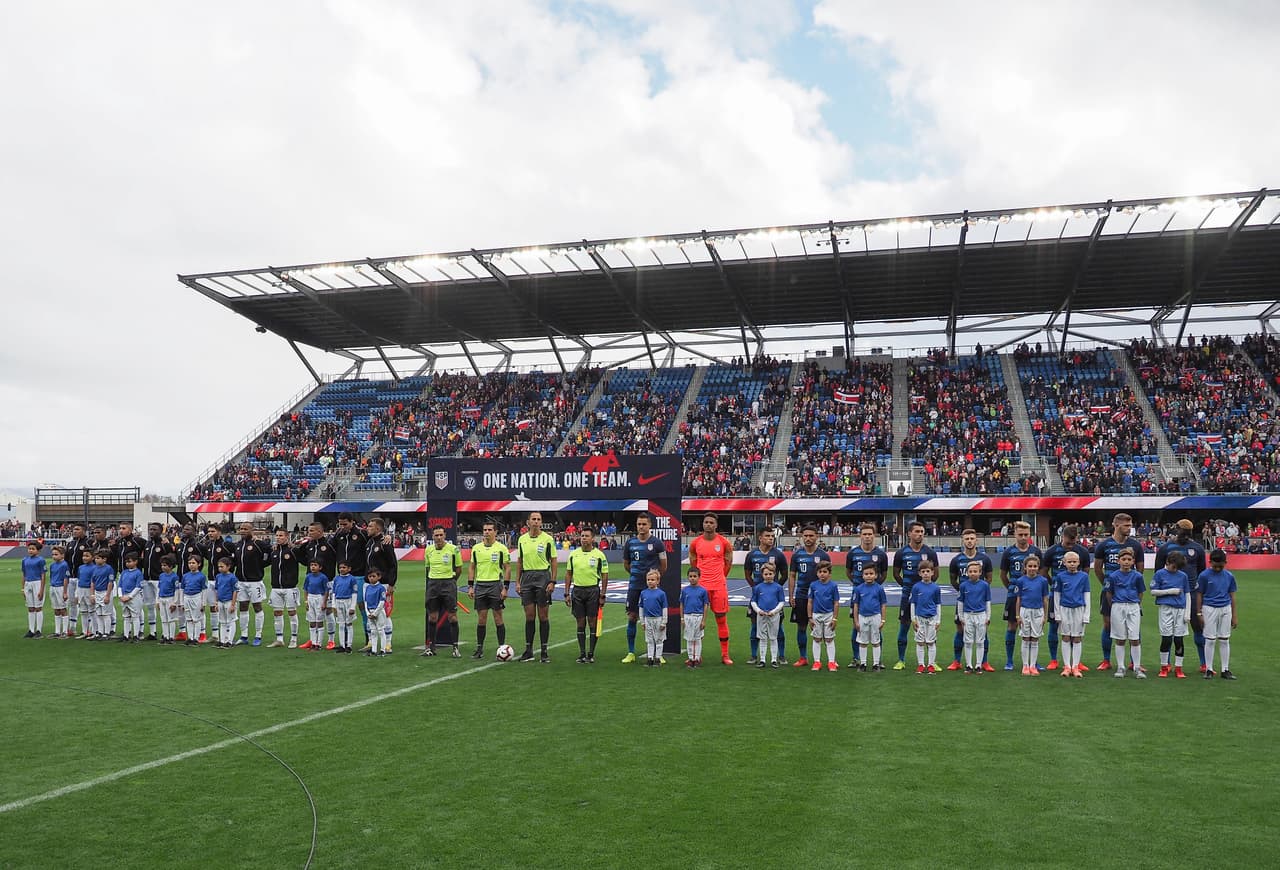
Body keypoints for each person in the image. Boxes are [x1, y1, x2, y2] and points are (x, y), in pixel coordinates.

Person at [1155, 519, 1208, 672]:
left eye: (1187, 532)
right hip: (1171, 596)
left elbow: (1202, 573)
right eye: (1182, 531)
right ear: (1176, 530)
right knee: (1168, 632)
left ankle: (1204, 663)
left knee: (1198, 627)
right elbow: (1159, 572)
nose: (1184, 534)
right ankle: (1166, 664)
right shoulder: (1165, 548)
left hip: (1192, 594)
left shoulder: (1197, 548)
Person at [1093, 512, 1143, 671]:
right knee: (1108, 625)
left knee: (1134, 627)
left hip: (1130, 594)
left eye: (1130, 525)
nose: (1129, 528)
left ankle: (1134, 662)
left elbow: (1140, 570)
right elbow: (1097, 568)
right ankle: (1106, 660)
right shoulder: (1104, 545)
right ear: (1116, 525)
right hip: (1110, 593)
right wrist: (1108, 585)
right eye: (1126, 525)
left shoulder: (1135, 545)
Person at [1042, 524, 1091, 671]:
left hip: (1076, 598)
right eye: (1068, 543)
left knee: (1076, 630)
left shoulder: (1082, 552)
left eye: (1073, 542)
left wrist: (1076, 586)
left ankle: (1076, 662)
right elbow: (1044, 571)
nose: (1071, 546)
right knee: (1054, 626)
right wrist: (1054, 584)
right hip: (1057, 595)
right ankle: (1054, 660)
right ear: (1062, 537)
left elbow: (1086, 572)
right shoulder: (1052, 551)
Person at [687, 513, 734, 665]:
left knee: (721, 618)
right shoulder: (696, 543)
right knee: (696, 620)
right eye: (706, 522)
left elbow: (728, 562)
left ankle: (725, 655)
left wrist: (720, 577)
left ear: (716, 525)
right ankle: (696, 655)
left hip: (719, 586)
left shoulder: (724, 542)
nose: (708, 524)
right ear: (703, 524)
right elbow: (693, 562)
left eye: (711, 522)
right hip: (701, 587)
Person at [622, 512, 668, 663]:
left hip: (651, 588)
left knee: (656, 619)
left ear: (649, 525)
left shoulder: (657, 543)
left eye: (644, 524)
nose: (641, 527)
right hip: (635, 585)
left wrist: (654, 579)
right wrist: (636, 574)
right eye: (639, 524)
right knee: (632, 616)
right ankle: (631, 652)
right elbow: (626, 564)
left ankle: (658, 654)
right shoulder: (630, 543)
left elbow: (664, 565)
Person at [893, 521, 938, 670]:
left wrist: (925, 589)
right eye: (917, 531)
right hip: (907, 596)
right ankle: (901, 660)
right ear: (909, 534)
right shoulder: (901, 553)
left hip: (926, 598)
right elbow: (896, 574)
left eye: (922, 532)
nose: (920, 534)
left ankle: (931, 662)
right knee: (904, 626)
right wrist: (908, 588)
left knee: (930, 629)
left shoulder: (930, 553)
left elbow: (936, 574)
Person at [999, 521, 1043, 672]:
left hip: (1033, 597)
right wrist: (1013, 589)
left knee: (1034, 630)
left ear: (1030, 535)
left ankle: (1033, 662)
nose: (1023, 537)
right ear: (1015, 535)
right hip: (1014, 595)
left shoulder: (1036, 551)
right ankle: (1009, 661)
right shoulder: (1008, 552)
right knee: (1012, 626)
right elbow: (1003, 575)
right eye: (1020, 534)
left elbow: (1041, 573)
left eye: (1026, 534)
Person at [948, 529, 994, 671]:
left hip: (979, 603)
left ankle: (984, 662)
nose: (969, 541)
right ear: (963, 541)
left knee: (983, 632)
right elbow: (953, 580)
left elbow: (989, 579)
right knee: (960, 629)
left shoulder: (985, 559)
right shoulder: (956, 560)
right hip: (963, 602)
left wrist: (978, 592)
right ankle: (957, 661)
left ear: (976, 541)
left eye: (972, 538)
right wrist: (964, 592)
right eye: (967, 538)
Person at [514, 512, 557, 663]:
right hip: (527, 578)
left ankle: (544, 651)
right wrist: (517, 581)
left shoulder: (547, 539)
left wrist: (552, 581)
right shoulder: (522, 539)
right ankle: (529, 650)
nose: (536, 522)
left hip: (543, 577)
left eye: (539, 519)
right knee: (529, 616)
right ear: (528, 522)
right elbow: (520, 561)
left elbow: (553, 560)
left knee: (543, 616)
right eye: (534, 519)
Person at [845, 523, 889, 668]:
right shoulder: (853, 553)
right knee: (856, 626)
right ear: (860, 536)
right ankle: (856, 658)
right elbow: (848, 572)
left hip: (874, 595)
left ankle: (878, 660)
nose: (867, 537)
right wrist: (859, 585)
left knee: (877, 628)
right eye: (864, 534)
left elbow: (884, 574)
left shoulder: (881, 554)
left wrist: (874, 587)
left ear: (874, 536)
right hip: (858, 594)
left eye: (870, 534)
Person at [743, 528, 789, 665]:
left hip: (774, 599)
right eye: (767, 536)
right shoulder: (752, 554)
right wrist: (756, 588)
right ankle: (754, 655)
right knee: (754, 626)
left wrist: (775, 589)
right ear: (760, 538)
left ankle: (781, 656)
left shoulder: (778, 555)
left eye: (772, 536)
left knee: (778, 626)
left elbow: (785, 575)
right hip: (758, 597)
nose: (771, 538)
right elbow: (747, 575)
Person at [468, 521, 511, 659]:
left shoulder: (501, 548)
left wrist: (505, 587)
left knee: (498, 617)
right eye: (485, 530)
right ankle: (479, 649)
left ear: (495, 532)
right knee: (481, 619)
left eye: (489, 530)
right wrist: (470, 586)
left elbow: (507, 568)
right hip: (480, 585)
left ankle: (502, 648)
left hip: (495, 585)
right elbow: (472, 567)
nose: (487, 532)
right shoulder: (476, 548)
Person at [565, 527, 608, 664]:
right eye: (582, 536)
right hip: (577, 591)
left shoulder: (599, 555)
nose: (584, 538)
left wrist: (603, 594)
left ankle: (591, 653)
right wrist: (566, 592)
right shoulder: (573, 554)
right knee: (580, 622)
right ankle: (582, 653)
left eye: (587, 536)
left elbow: (604, 575)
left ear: (592, 538)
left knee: (592, 621)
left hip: (593, 591)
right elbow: (568, 574)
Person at [788, 525, 829, 668]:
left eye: (811, 536)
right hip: (801, 595)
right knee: (801, 627)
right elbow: (792, 576)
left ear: (817, 537)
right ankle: (803, 657)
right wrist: (791, 595)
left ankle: (827, 659)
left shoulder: (823, 555)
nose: (808, 538)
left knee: (823, 629)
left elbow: (828, 577)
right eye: (805, 536)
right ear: (801, 537)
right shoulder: (797, 555)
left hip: (819, 597)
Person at [1195, 549, 1238, 680]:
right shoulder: (1204, 576)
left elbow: (1232, 596)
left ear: (1225, 563)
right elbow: (1199, 594)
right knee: (1210, 639)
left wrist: (1234, 615)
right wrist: (1199, 613)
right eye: (1215, 566)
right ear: (1210, 562)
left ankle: (1225, 669)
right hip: (1209, 608)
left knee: (1224, 639)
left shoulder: (1229, 576)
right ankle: (1209, 669)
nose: (1218, 569)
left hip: (1225, 608)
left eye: (1220, 566)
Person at [423, 526, 463, 658]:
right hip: (433, 584)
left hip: (448, 584)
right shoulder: (428, 550)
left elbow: (458, 569)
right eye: (436, 535)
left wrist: (451, 581)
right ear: (432, 536)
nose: (439, 538)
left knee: (452, 616)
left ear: (445, 535)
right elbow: (428, 568)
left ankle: (455, 647)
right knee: (432, 617)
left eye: (441, 535)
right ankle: (431, 647)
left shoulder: (453, 549)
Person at [1106, 548, 1146, 678]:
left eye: (1129, 559)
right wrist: (1115, 606)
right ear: (1118, 561)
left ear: (1133, 561)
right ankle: (1121, 667)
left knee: (1135, 638)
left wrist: (1136, 604)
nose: (1126, 562)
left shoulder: (1137, 576)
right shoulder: (1113, 576)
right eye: (1124, 559)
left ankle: (1137, 667)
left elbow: (1140, 592)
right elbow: (1109, 593)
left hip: (1133, 606)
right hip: (1118, 606)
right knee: (1120, 638)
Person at [1151, 550, 1191, 679]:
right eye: (1173, 567)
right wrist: (1170, 591)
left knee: (1179, 639)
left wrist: (1188, 613)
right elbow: (1153, 591)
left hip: (1180, 609)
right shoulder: (1159, 574)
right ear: (1168, 562)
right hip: (1166, 608)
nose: (1175, 570)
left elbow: (1187, 594)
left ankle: (1179, 668)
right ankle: (1164, 667)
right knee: (1166, 638)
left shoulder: (1183, 576)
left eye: (1177, 568)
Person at [1051, 550, 1091, 678]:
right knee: (1066, 637)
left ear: (1079, 562)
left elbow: (1087, 595)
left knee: (1077, 638)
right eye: (1069, 562)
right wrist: (1057, 614)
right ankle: (1067, 666)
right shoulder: (1060, 577)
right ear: (1064, 563)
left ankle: (1076, 666)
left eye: (1074, 561)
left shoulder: (1084, 577)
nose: (1072, 564)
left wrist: (1086, 615)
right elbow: (1057, 596)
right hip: (1064, 609)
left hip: (1079, 609)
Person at [231, 523, 271, 647]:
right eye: (241, 529)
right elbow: (234, 562)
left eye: (245, 529)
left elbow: (270, 552)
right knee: (243, 607)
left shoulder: (258, 544)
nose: (242, 531)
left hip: (255, 582)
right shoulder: (238, 545)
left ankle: (258, 635)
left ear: (251, 530)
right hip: (241, 582)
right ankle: (244, 636)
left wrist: (260, 565)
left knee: (257, 607)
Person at [332, 512, 369, 639]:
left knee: (362, 606)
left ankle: (369, 638)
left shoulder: (361, 534)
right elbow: (329, 547)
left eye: (345, 524)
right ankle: (345, 641)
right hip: (342, 577)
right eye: (340, 524)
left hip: (358, 575)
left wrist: (387, 537)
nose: (342, 527)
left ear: (352, 522)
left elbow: (374, 540)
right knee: (343, 607)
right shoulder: (338, 535)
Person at [364, 517, 398, 651]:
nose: (367, 529)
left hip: (383, 584)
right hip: (369, 584)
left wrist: (391, 583)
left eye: (370, 526)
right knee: (370, 611)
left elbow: (393, 564)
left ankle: (388, 643)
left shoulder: (385, 543)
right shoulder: (369, 542)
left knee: (384, 613)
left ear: (378, 528)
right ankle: (371, 642)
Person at [200, 524, 236, 645]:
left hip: (223, 581)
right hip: (211, 580)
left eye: (213, 531)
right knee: (213, 607)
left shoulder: (227, 545)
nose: (210, 533)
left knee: (227, 608)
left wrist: (229, 574)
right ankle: (215, 635)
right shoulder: (209, 545)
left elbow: (235, 559)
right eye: (209, 531)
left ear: (219, 532)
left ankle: (228, 637)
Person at [1013, 555, 1049, 675]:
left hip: (1038, 612)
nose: (1032, 568)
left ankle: (1033, 665)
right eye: (1030, 566)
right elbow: (1018, 599)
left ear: (1038, 567)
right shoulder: (1020, 581)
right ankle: (1025, 665)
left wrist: (1045, 616)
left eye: (1035, 566)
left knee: (1034, 639)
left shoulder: (1043, 581)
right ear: (1025, 567)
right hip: (1025, 611)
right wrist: (1017, 616)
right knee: (1025, 638)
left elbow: (1045, 599)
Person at [268, 529, 303, 649]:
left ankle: (294, 639)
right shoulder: (274, 551)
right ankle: (279, 639)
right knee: (277, 613)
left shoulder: (293, 551)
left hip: (290, 587)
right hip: (276, 587)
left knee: (292, 613)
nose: (278, 537)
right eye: (277, 535)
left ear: (287, 537)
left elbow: (305, 560)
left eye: (281, 535)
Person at [141, 522, 175, 641]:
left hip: (159, 579)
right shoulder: (147, 544)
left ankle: (167, 633)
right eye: (150, 529)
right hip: (147, 579)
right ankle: (152, 632)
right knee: (150, 605)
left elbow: (172, 559)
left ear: (161, 531)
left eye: (155, 529)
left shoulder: (164, 545)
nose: (152, 531)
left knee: (162, 606)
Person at [852, 563, 888, 672]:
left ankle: (876, 664)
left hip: (875, 616)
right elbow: (856, 605)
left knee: (876, 641)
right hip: (862, 617)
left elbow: (883, 605)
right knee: (863, 642)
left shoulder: (879, 589)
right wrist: (856, 621)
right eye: (866, 574)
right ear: (862, 575)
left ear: (876, 575)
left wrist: (883, 620)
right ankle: (863, 663)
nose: (868, 576)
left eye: (871, 573)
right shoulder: (858, 589)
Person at [957, 560, 991, 674]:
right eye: (970, 571)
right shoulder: (963, 586)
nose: (973, 573)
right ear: (967, 572)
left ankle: (978, 665)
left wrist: (988, 617)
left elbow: (987, 602)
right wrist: (961, 617)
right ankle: (968, 665)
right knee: (968, 641)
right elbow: (960, 602)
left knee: (980, 641)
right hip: (968, 615)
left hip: (981, 615)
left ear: (980, 572)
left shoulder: (985, 585)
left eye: (975, 571)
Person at [750, 563, 786, 669]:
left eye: (770, 574)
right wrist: (758, 611)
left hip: (774, 616)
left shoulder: (778, 587)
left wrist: (774, 611)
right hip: (761, 615)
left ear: (774, 574)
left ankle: (774, 660)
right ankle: (762, 660)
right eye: (766, 574)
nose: (768, 576)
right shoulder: (758, 588)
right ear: (762, 575)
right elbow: (753, 601)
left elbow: (781, 602)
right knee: (762, 638)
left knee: (773, 637)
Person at [910, 560, 942, 674]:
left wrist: (938, 620)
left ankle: (931, 665)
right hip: (920, 618)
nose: (926, 574)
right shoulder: (916, 587)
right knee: (920, 642)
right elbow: (913, 603)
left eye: (928, 571)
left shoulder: (936, 588)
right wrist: (913, 619)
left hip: (932, 618)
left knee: (931, 642)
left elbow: (938, 604)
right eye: (923, 571)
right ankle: (921, 665)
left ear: (932, 572)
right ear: (919, 573)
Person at [807, 561, 841, 672]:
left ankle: (831, 662)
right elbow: (810, 602)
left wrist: (834, 618)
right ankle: (817, 661)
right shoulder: (813, 585)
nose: (822, 574)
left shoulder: (833, 586)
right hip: (816, 615)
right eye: (820, 571)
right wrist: (810, 618)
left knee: (829, 639)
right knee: (817, 639)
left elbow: (836, 603)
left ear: (829, 573)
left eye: (825, 572)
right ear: (817, 573)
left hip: (829, 615)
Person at [638, 569, 668, 667]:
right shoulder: (643, 593)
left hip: (658, 619)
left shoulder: (661, 594)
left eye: (652, 580)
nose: (650, 581)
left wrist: (664, 622)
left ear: (658, 581)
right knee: (649, 640)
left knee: (659, 639)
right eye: (648, 580)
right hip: (648, 619)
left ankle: (658, 658)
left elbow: (664, 608)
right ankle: (650, 658)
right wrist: (642, 621)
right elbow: (641, 607)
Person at [680, 567, 709, 668]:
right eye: (690, 576)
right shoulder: (685, 591)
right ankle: (690, 658)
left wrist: (703, 620)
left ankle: (697, 658)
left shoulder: (703, 591)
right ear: (688, 577)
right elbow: (682, 604)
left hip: (698, 616)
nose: (692, 578)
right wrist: (682, 618)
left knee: (697, 638)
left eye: (695, 576)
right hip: (687, 616)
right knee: (689, 638)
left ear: (699, 577)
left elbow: (705, 605)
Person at [331, 561, 359, 654]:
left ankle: (349, 645)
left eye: (344, 567)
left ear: (349, 569)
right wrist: (333, 605)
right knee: (341, 624)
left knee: (349, 624)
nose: (342, 569)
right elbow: (334, 592)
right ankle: (342, 645)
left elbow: (354, 593)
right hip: (338, 602)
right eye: (340, 568)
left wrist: (352, 607)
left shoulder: (352, 579)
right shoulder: (336, 578)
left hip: (348, 602)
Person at [301, 559, 329, 651]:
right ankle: (313, 642)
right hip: (310, 598)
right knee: (312, 621)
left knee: (319, 621)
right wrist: (306, 601)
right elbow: (305, 589)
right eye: (311, 565)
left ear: (320, 567)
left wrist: (324, 602)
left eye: (315, 565)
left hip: (319, 598)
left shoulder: (323, 577)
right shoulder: (308, 576)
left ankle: (318, 644)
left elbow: (326, 590)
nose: (313, 567)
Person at [117, 553, 145, 643]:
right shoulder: (124, 572)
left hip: (134, 597)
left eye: (129, 561)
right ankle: (126, 635)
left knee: (135, 616)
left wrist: (130, 596)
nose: (127, 563)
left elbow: (138, 586)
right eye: (126, 562)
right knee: (126, 617)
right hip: (124, 596)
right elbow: (120, 585)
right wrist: (120, 596)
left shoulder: (138, 573)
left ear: (136, 561)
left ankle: (136, 636)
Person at [20, 541, 46, 638]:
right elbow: (24, 574)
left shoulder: (41, 560)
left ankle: (38, 630)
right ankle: (31, 630)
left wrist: (41, 590)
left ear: (38, 551)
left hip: (37, 583)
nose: (30, 550)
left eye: (33, 549)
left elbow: (43, 575)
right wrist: (23, 588)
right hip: (28, 583)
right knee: (30, 608)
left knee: (38, 607)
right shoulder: (24, 560)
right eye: (29, 548)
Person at [212, 557, 240, 649]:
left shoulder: (232, 578)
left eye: (222, 566)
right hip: (220, 601)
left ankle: (229, 641)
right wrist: (216, 602)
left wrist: (233, 604)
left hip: (229, 601)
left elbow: (235, 591)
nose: (220, 568)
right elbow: (217, 590)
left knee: (231, 621)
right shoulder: (218, 577)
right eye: (219, 567)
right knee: (222, 621)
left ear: (228, 566)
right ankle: (222, 640)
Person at [88, 550, 115, 641]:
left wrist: (107, 595)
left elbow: (110, 582)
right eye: (95, 558)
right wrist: (92, 594)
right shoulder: (94, 569)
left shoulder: (109, 569)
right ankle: (100, 632)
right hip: (97, 592)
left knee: (106, 614)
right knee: (99, 613)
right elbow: (92, 582)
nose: (96, 560)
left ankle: (106, 633)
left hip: (105, 592)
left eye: (98, 558)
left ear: (104, 559)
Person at [180, 556, 207, 647]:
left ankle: (196, 638)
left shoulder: (201, 576)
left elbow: (204, 590)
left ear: (199, 564)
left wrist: (203, 603)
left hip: (197, 597)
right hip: (187, 597)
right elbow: (182, 589)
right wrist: (182, 603)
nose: (191, 565)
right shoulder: (185, 576)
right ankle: (190, 638)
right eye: (189, 563)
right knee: (188, 619)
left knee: (196, 619)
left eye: (193, 563)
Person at [364, 569, 390, 657]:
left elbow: (382, 602)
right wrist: (368, 613)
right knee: (373, 631)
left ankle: (383, 650)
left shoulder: (381, 588)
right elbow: (366, 601)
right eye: (370, 576)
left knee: (381, 630)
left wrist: (375, 613)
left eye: (373, 576)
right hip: (370, 611)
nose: (371, 578)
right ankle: (374, 650)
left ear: (379, 577)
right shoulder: (368, 587)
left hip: (379, 612)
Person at [48, 545, 71, 638]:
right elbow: (51, 576)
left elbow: (66, 578)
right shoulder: (52, 565)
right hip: (53, 587)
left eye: (56, 554)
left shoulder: (64, 565)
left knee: (63, 609)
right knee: (56, 609)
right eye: (53, 554)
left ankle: (65, 631)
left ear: (62, 555)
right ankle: (57, 631)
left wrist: (65, 592)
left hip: (61, 587)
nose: (54, 556)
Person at [156, 555, 180, 644]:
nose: (163, 567)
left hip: (170, 599)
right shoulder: (161, 576)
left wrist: (174, 602)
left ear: (171, 566)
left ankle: (171, 637)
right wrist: (157, 600)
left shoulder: (174, 577)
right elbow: (159, 588)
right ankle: (165, 636)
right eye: (162, 565)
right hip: (162, 598)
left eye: (165, 565)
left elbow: (176, 590)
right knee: (163, 619)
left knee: (171, 619)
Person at [76, 549, 96, 638]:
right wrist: (77, 593)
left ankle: (93, 631)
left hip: (89, 589)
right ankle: (84, 631)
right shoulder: (81, 567)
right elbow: (79, 579)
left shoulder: (94, 568)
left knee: (92, 611)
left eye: (87, 556)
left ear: (93, 557)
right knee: (83, 611)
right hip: (81, 589)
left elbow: (94, 582)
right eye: (84, 556)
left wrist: (92, 594)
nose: (84, 558)